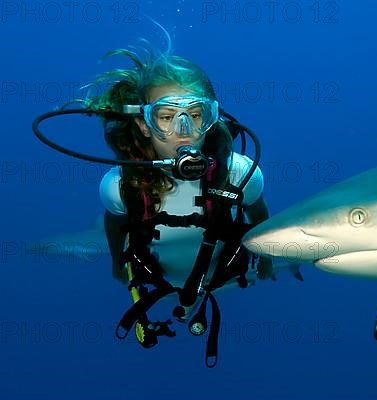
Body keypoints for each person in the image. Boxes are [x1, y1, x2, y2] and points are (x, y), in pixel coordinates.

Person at [83, 37, 271, 355]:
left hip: (226, 279)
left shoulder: (240, 173)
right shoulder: (118, 185)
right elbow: (114, 226)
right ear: (144, 124)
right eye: (166, 117)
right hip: (162, 284)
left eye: (196, 116)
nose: (184, 131)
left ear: (211, 121)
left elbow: (261, 218)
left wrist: (266, 261)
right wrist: (117, 263)